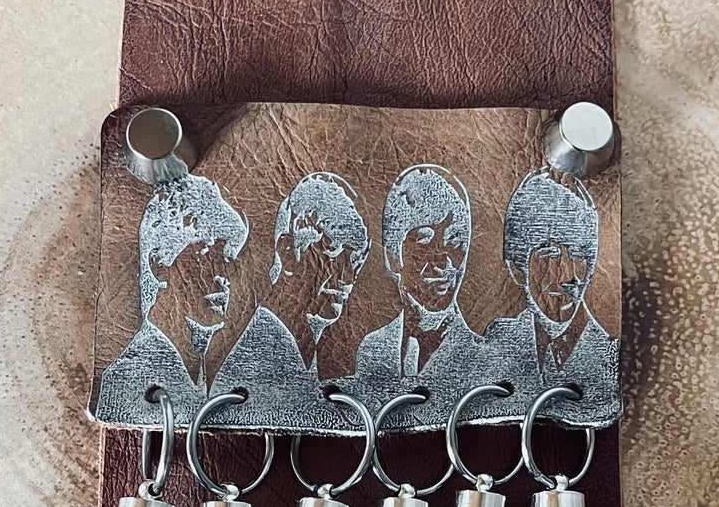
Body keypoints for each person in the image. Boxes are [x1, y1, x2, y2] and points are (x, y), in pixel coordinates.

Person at [211, 172, 370, 416]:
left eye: (355, 260)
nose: (348, 276)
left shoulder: (307, 349)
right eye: (333, 251)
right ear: (287, 251)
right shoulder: (258, 355)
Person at [95, 173, 247, 421]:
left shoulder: (206, 371)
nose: (223, 274)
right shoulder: (124, 381)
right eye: (205, 255)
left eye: (227, 258)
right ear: (158, 264)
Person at [351, 164, 492, 398]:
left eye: (456, 241)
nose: (443, 258)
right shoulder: (373, 349)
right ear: (392, 258)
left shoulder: (483, 357)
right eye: (424, 240)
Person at [486, 169, 617, 401]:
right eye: (550, 254)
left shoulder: (611, 357)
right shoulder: (498, 342)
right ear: (517, 269)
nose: (569, 275)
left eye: (578, 255)